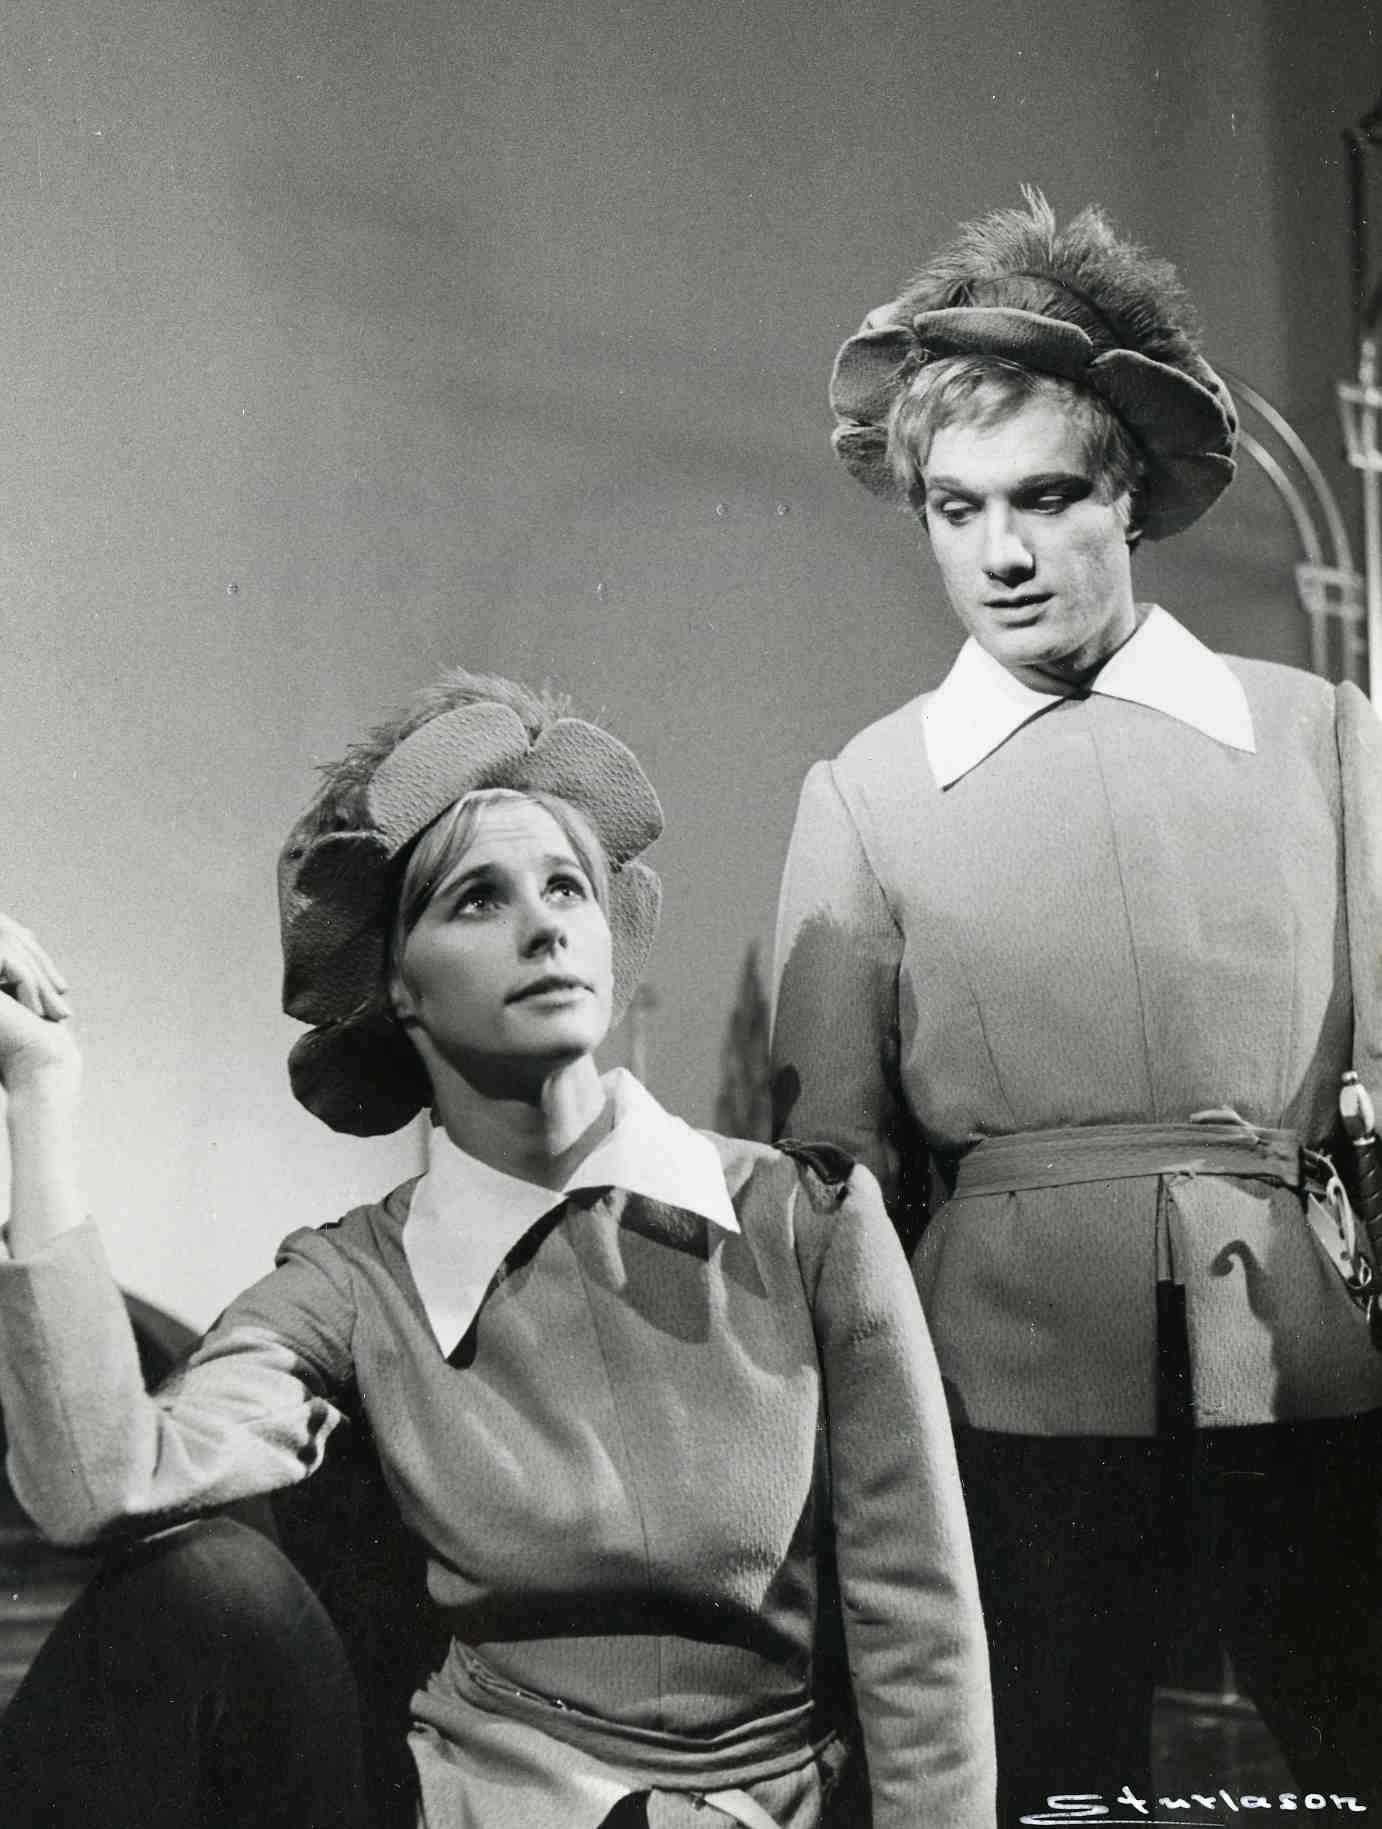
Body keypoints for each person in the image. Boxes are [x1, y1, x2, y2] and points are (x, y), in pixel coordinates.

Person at [0, 670, 995, 1829]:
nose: (544, 924)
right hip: (469, 1810)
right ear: (399, 987)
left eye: (566, 884)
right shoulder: (352, 1280)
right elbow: (96, 1482)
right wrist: (39, 1090)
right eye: (477, 897)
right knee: (205, 1584)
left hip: (770, 1812)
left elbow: (920, 1636)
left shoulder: (805, 1219)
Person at [770, 190, 1382, 1821]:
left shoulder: (1322, 736)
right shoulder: (866, 790)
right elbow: (830, 1173)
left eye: (1045, 495)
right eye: (954, 507)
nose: (1002, 553)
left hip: (1304, 1367)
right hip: (1005, 1391)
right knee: (1037, 1787)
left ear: (1130, 496)